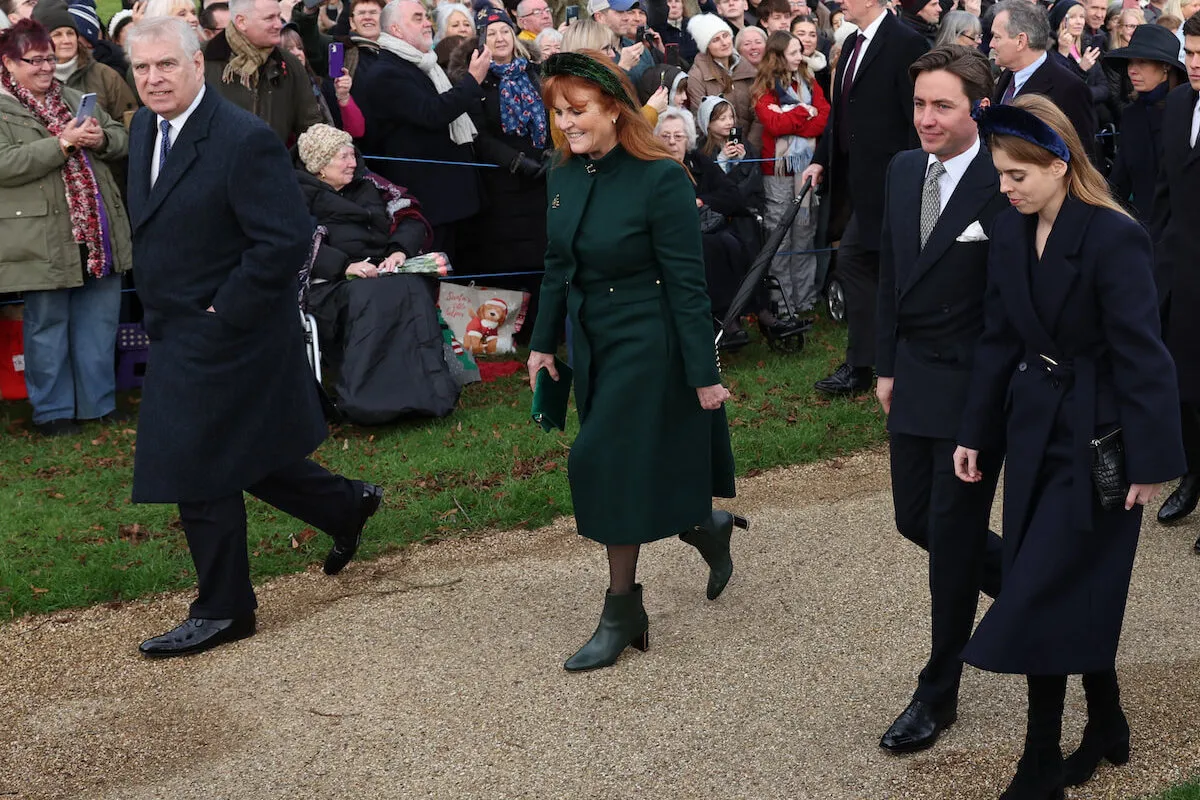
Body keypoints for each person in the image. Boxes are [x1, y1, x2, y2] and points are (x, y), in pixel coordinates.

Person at [124, 17, 383, 658]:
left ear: (195, 65)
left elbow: (287, 237)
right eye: (142, 67)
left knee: (196, 461)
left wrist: (224, 310)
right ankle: (346, 506)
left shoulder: (243, 139)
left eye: (166, 65)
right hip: (175, 322)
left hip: (225, 329)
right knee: (246, 455)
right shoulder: (140, 128)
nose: (154, 78)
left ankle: (225, 608)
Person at [954, 95, 1184, 797]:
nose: (1006, 187)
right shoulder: (1009, 227)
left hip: (1100, 441)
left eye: (1018, 174)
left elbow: (1144, 354)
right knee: (1060, 585)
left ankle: (1038, 761)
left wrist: (1153, 460)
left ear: (1059, 163)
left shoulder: (1115, 237)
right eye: (999, 174)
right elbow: (998, 340)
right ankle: (1107, 720)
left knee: (1044, 590)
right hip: (1032, 433)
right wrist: (974, 432)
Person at [527, 51, 740, 672]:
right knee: (628, 457)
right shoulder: (561, 176)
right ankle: (704, 523)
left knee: (602, 459)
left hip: (650, 339)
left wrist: (704, 373)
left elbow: (687, 282)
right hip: (592, 339)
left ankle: (622, 610)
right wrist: (543, 344)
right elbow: (557, 266)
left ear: (615, 109)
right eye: (558, 112)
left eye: (578, 110)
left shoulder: (662, 178)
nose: (565, 123)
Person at [873, 44, 1009, 756]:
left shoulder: (1005, 178)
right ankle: (1031, 585)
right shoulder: (903, 170)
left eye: (942, 106)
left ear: (978, 108)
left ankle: (937, 694)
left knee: (952, 541)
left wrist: (987, 408)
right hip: (915, 374)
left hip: (976, 385)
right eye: (921, 104)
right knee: (913, 519)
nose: (926, 119)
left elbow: (1011, 307)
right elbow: (894, 271)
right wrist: (885, 364)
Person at [0, 19, 130, 436]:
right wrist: (61, 145)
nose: (44, 68)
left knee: (99, 321)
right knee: (47, 327)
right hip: (42, 236)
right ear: (8, 62)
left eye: (49, 60)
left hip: (97, 232)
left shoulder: (74, 98)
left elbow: (120, 139)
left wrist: (100, 139)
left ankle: (98, 404)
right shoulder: (3, 108)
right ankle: (53, 413)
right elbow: (5, 164)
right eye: (34, 61)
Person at [801, 0, 928, 396]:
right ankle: (869, 364)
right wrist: (821, 160)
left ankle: (873, 365)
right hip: (857, 185)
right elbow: (843, 114)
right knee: (862, 266)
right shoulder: (853, 43)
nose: (840, 1)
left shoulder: (906, 42)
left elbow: (917, 119)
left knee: (871, 267)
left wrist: (914, 179)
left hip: (894, 184)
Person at [294, 125, 460, 420]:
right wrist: (345, 267)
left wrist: (399, 251)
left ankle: (430, 394)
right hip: (328, 285)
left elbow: (410, 216)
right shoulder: (293, 195)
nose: (353, 163)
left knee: (411, 286)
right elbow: (292, 242)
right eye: (343, 157)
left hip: (381, 269)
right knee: (375, 295)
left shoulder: (370, 185)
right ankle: (369, 401)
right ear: (320, 166)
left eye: (352, 155)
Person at [356, 0, 490, 257]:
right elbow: (431, 113)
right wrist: (472, 81)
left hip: (450, 198)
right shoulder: (385, 72)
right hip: (427, 203)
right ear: (395, 29)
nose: (427, 23)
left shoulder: (423, 64)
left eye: (426, 17)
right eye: (417, 18)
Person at [1149, 14, 1200, 535]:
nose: (1197, 64)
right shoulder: (1179, 102)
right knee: (1176, 381)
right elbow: (1165, 185)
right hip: (1175, 265)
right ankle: (1192, 472)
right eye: (1192, 53)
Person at [457, 8, 550, 277]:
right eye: (491, 33)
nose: (500, 38)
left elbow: (555, 115)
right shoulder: (475, 81)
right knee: (511, 259)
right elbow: (478, 133)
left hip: (542, 176)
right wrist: (515, 161)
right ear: (481, 41)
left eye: (505, 31)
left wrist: (552, 153)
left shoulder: (536, 73)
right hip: (502, 180)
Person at [655, 106, 752, 344]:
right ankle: (725, 318)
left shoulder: (698, 161)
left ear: (688, 138)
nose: (672, 142)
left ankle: (749, 312)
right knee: (712, 246)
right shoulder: (651, 166)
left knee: (740, 236)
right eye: (665, 136)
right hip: (673, 235)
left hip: (708, 226)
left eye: (678, 136)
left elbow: (732, 195)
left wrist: (701, 200)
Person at [752, 31, 829, 316]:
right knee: (780, 236)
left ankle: (804, 300)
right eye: (794, 52)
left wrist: (794, 114)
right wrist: (802, 111)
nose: (800, 56)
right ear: (779, 55)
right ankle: (782, 303)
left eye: (800, 51)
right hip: (778, 172)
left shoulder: (809, 80)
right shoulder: (764, 89)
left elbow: (823, 117)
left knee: (804, 234)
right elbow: (773, 124)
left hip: (807, 168)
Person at [203, 0, 322, 142]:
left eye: (278, 16)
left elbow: (311, 127)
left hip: (274, 162)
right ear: (241, 22)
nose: (278, 24)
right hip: (215, 163)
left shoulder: (290, 64)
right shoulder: (201, 60)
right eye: (269, 18)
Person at [990, 0, 1097, 151]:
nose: (991, 44)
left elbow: (1082, 154)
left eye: (997, 37)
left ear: (1021, 41)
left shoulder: (1070, 88)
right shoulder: (1008, 75)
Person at [1104, 23, 1185, 222]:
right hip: (1143, 228)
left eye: (1142, 62)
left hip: (1183, 230)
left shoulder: (1186, 113)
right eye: (1130, 62)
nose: (1132, 70)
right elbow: (1120, 178)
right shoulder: (1132, 115)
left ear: (1165, 66)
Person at [33, 0, 136, 124]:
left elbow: (130, 122)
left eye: (70, 33)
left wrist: (104, 138)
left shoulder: (104, 75)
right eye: (57, 35)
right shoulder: (32, 79)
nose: (66, 40)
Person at [279, 23, 365, 135]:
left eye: (300, 48)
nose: (297, 53)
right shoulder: (272, 91)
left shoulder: (322, 87)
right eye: (288, 49)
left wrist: (344, 97)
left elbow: (357, 131)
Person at [686, 13, 755, 127]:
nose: (724, 43)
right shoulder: (697, 76)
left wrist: (751, 144)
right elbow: (701, 121)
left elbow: (758, 113)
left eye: (726, 35)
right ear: (706, 46)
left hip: (752, 141)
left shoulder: (746, 66)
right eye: (716, 40)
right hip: (720, 142)